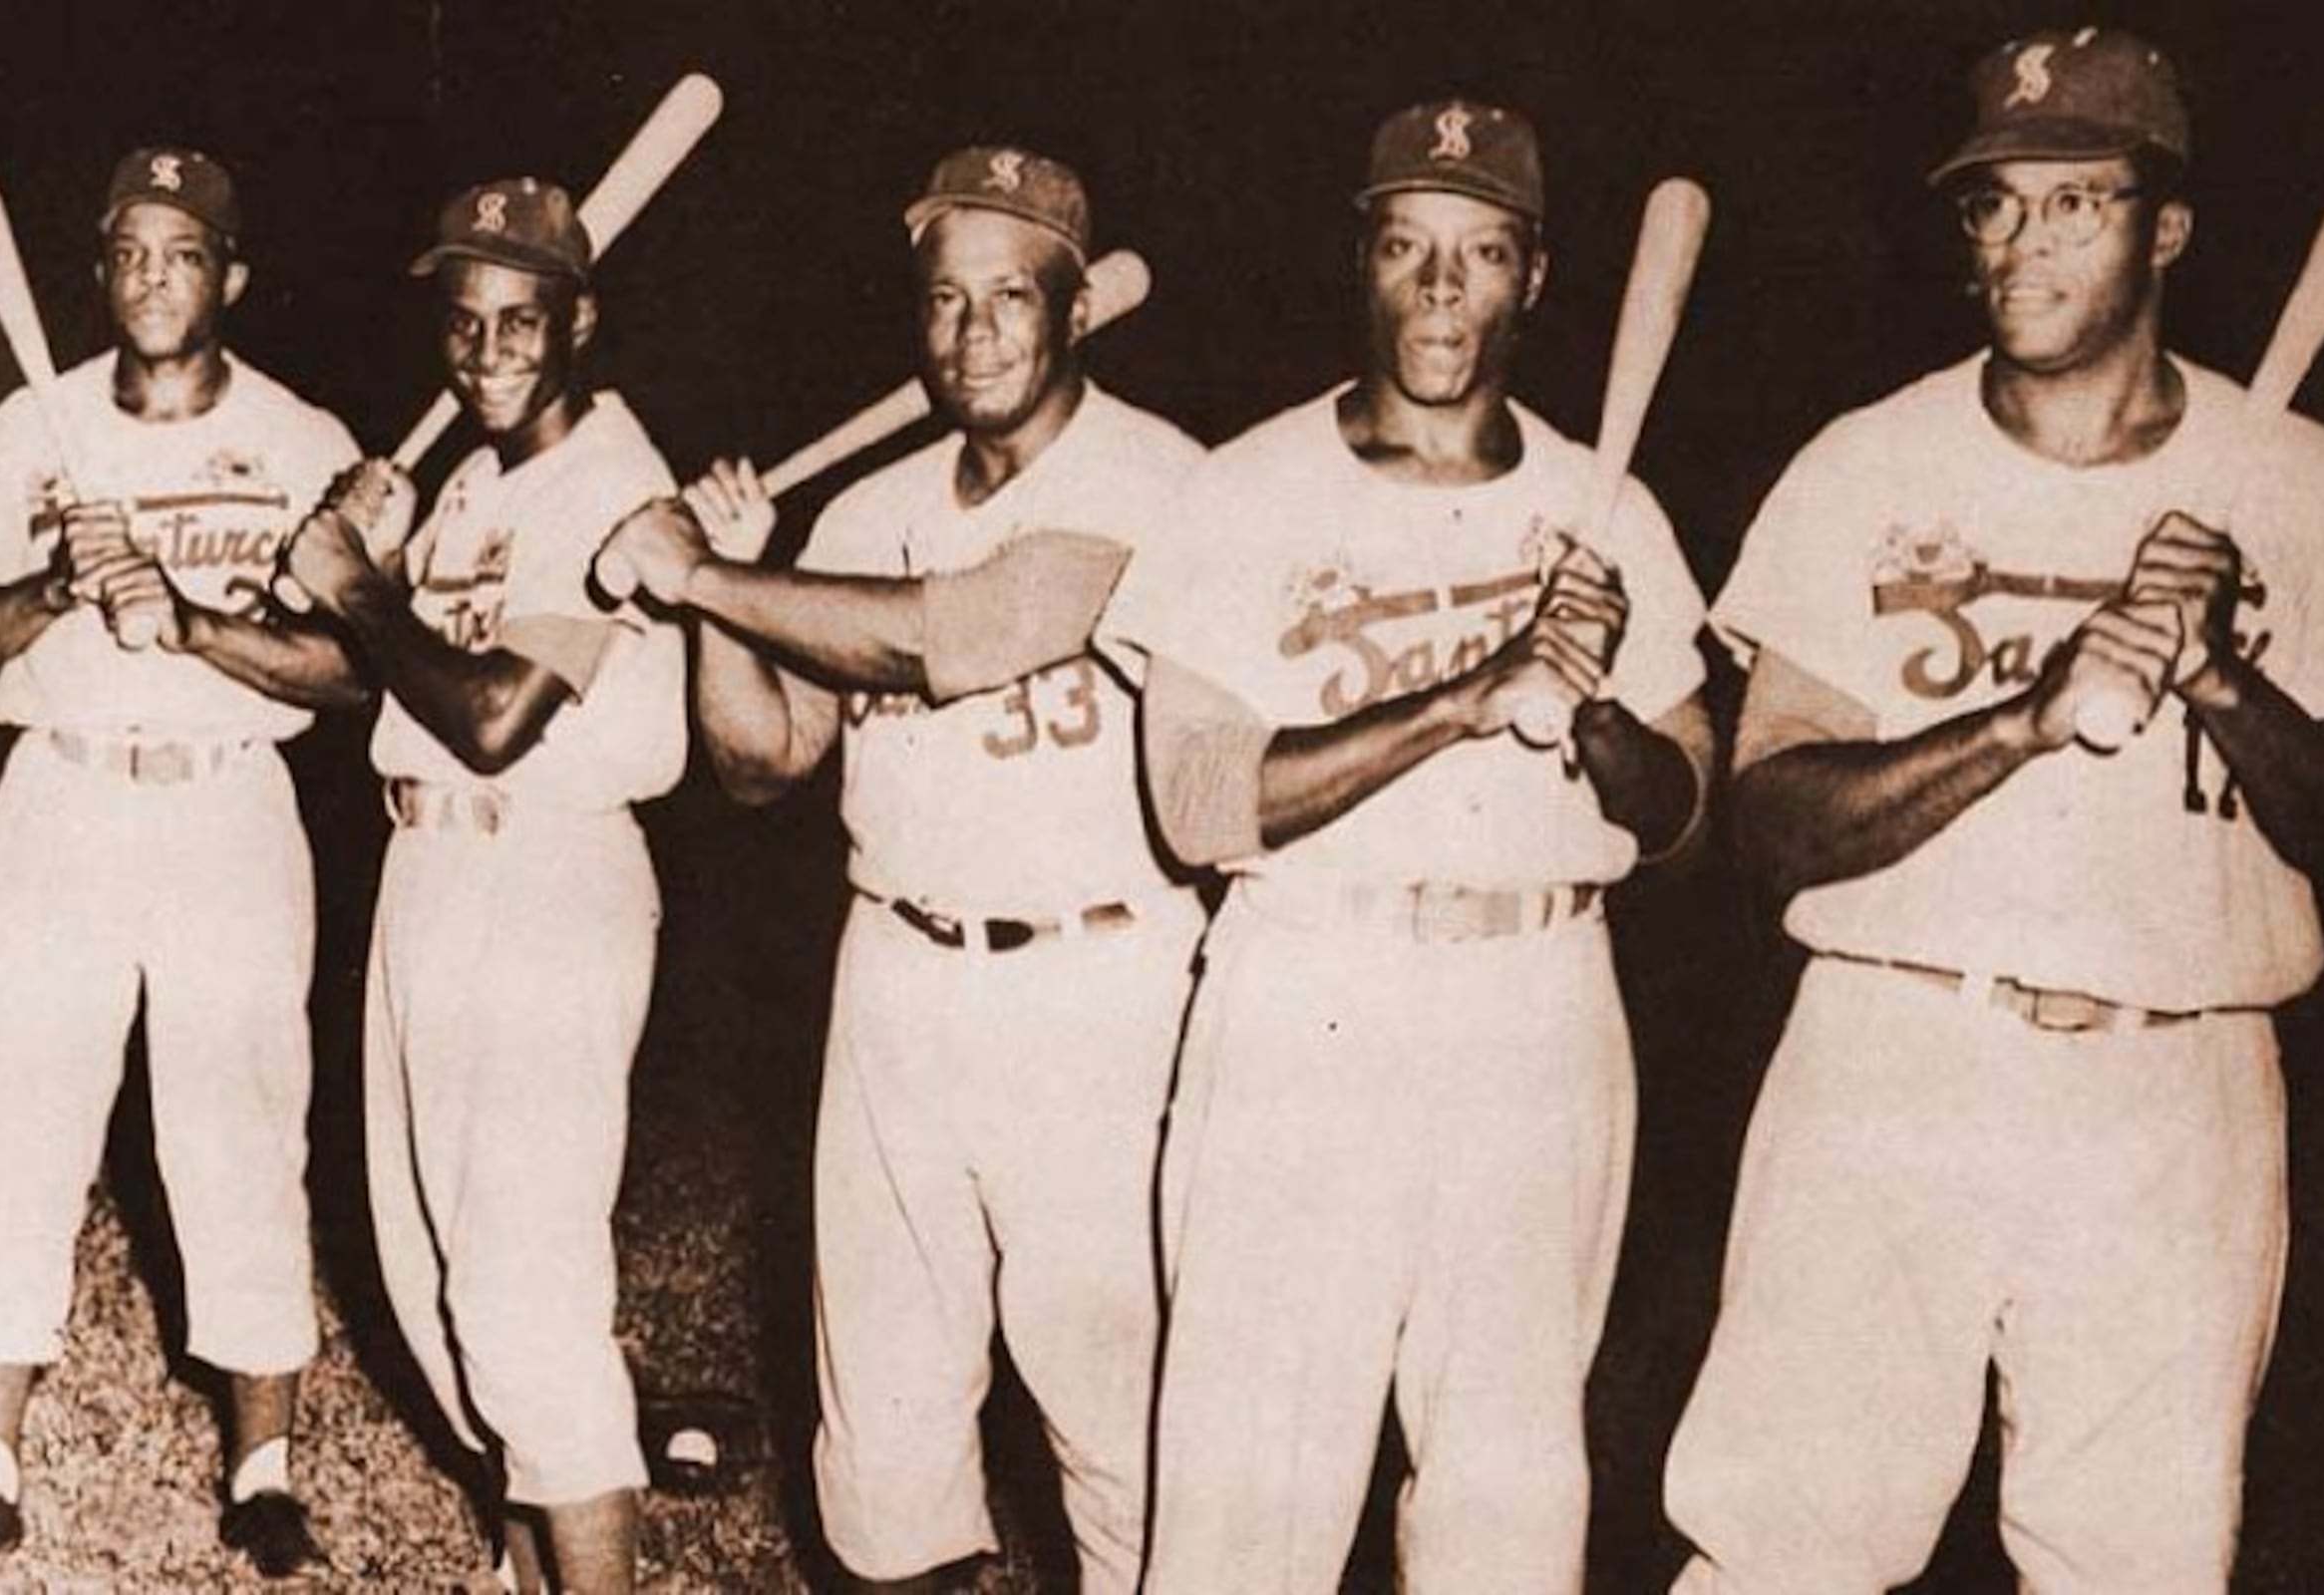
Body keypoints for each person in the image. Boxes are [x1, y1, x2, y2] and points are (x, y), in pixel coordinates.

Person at [1663, 28, 2324, 1592]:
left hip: (2180, 1086)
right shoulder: (1863, 464)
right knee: (1782, 1556)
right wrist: (2021, 719)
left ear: (2168, 229)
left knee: (2136, 1567)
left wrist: (2225, 679)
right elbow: (1772, 823)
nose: (2019, 245)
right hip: (1894, 1059)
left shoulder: (2305, 484)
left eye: (2074, 203)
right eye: (1994, 206)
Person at [1099, 101, 1713, 1593]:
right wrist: (1464, 699)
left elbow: (1692, 828)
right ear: (1359, 264)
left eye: (1482, 252)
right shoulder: (1241, 489)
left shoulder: (1606, 509)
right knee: (1245, 1511)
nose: (1443, 289)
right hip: (1314, 996)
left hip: (1540, 1007)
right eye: (1407, 247)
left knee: (1508, 1506)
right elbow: (1196, 803)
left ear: (1539, 278)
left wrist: (1599, 721)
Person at [596, 146, 1207, 1592]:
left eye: (1010, 296)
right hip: (896, 983)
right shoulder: (863, 514)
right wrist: (733, 602)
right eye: (944, 299)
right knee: (882, 1419)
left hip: (1099, 989)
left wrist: (695, 572)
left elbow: (964, 632)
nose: (972, 330)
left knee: (1117, 1411)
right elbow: (760, 762)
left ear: (1074, 310)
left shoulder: (1163, 479)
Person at [0, 147, 362, 1579]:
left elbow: (354, 672)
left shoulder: (301, 441)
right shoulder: (29, 433)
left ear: (230, 276)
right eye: (129, 254)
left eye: (184, 254)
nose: (153, 279)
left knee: (239, 1123)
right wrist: (55, 583)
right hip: (61, 802)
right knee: (27, 1107)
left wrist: (188, 617)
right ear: (100, 271)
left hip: (230, 807)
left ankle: (266, 1466)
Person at [281, 176, 685, 1595]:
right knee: (437, 1273)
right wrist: (366, 560)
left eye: (524, 321)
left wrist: (352, 587)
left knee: (523, 1295)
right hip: (434, 874)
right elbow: (387, 672)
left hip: (545, 878)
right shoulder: (475, 479)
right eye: (467, 323)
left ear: (581, 320)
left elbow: (501, 715)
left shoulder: (610, 478)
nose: (492, 353)